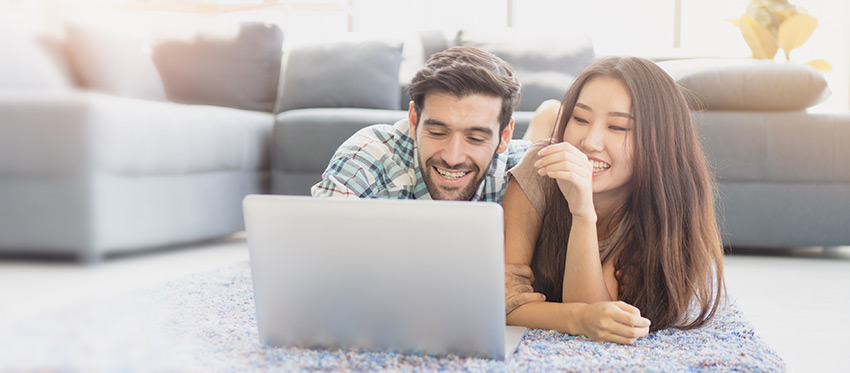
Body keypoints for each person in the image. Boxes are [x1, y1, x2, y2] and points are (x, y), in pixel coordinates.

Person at [502, 56, 726, 345]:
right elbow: (504, 301)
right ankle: (549, 115)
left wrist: (582, 212)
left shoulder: (662, 214)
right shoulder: (542, 164)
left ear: (659, 142)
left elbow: (602, 317)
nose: (591, 141)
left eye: (618, 127)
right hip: (530, 155)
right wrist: (579, 319)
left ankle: (548, 115)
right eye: (580, 119)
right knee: (536, 144)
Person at [312, 46, 554, 202]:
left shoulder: (525, 168)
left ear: (504, 136)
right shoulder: (369, 155)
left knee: (552, 116)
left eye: (475, 138)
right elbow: (319, 248)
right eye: (438, 132)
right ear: (414, 121)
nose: (452, 157)